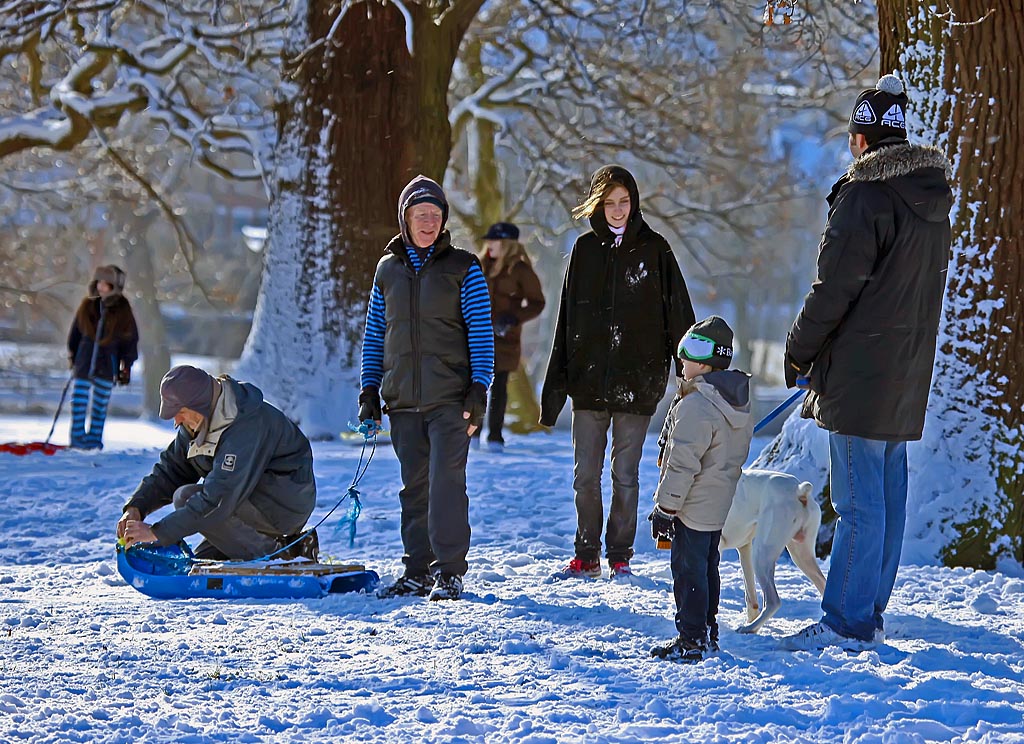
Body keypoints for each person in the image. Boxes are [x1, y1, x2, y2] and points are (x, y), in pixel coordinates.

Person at [780, 75, 953, 650]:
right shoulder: (930, 198)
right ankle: (868, 607)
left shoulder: (864, 196)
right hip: (905, 370)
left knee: (856, 504)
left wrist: (798, 350)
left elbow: (834, 289)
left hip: (859, 372)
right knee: (886, 499)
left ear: (860, 140)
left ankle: (847, 621)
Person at [541, 164, 695, 579]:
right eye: (608, 202)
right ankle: (586, 552)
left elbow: (679, 314)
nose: (617, 209)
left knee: (625, 474)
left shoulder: (656, 250)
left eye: (623, 201)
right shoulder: (584, 252)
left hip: (637, 381)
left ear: (634, 202)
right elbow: (566, 321)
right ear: (597, 205)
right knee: (585, 476)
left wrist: (692, 372)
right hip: (589, 380)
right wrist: (556, 386)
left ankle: (620, 553)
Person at [358, 175, 494, 601]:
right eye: (421, 215)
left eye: (435, 215)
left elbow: (481, 333)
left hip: (451, 400)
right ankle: (416, 570)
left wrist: (479, 387)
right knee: (413, 488)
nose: (428, 222)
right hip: (402, 400)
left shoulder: (463, 267)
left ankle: (449, 571)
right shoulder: (387, 270)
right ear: (405, 219)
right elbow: (375, 334)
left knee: (446, 484)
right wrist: (369, 390)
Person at [117, 365, 319, 562]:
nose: (176, 421)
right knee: (203, 562)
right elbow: (171, 470)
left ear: (199, 405)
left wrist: (158, 532)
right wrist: (137, 506)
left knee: (187, 498)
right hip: (246, 498)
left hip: (284, 503)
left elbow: (218, 499)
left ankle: (278, 557)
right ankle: (296, 546)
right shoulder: (199, 421)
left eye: (180, 412)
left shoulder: (244, 425)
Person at [648, 316, 753, 662]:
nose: (680, 362)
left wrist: (665, 508)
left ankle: (691, 639)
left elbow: (682, 464)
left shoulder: (697, 404)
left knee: (688, 571)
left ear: (705, 360)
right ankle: (707, 632)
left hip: (691, 506)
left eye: (686, 356)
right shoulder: (733, 401)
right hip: (717, 504)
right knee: (708, 568)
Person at [473, 221, 546, 451]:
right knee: (475, 383)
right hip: (478, 335)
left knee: (499, 385)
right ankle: (472, 432)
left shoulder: (520, 270)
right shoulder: (480, 265)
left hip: (505, 339)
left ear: (507, 244)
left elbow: (537, 303)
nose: (489, 245)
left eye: (494, 241)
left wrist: (513, 318)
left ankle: (494, 436)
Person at [67, 265, 139, 449]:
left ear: (114, 286)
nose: (101, 287)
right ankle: (77, 441)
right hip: (84, 362)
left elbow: (129, 340)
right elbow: (75, 334)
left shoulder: (123, 310)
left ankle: (93, 442)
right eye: (99, 282)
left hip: (107, 365)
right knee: (79, 403)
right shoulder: (87, 306)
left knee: (99, 407)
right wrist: (74, 357)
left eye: (106, 284)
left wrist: (126, 366)